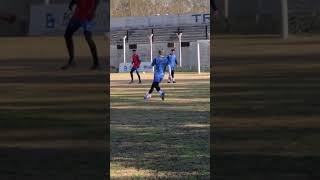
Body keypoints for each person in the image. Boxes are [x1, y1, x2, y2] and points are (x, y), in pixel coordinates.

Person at [61, 0, 100, 70]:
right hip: (77, 15)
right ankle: (71, 60)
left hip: (86, 16)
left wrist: (92, 11)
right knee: (67, 35)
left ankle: (96, 63)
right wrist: (72, 3)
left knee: (88, 38)